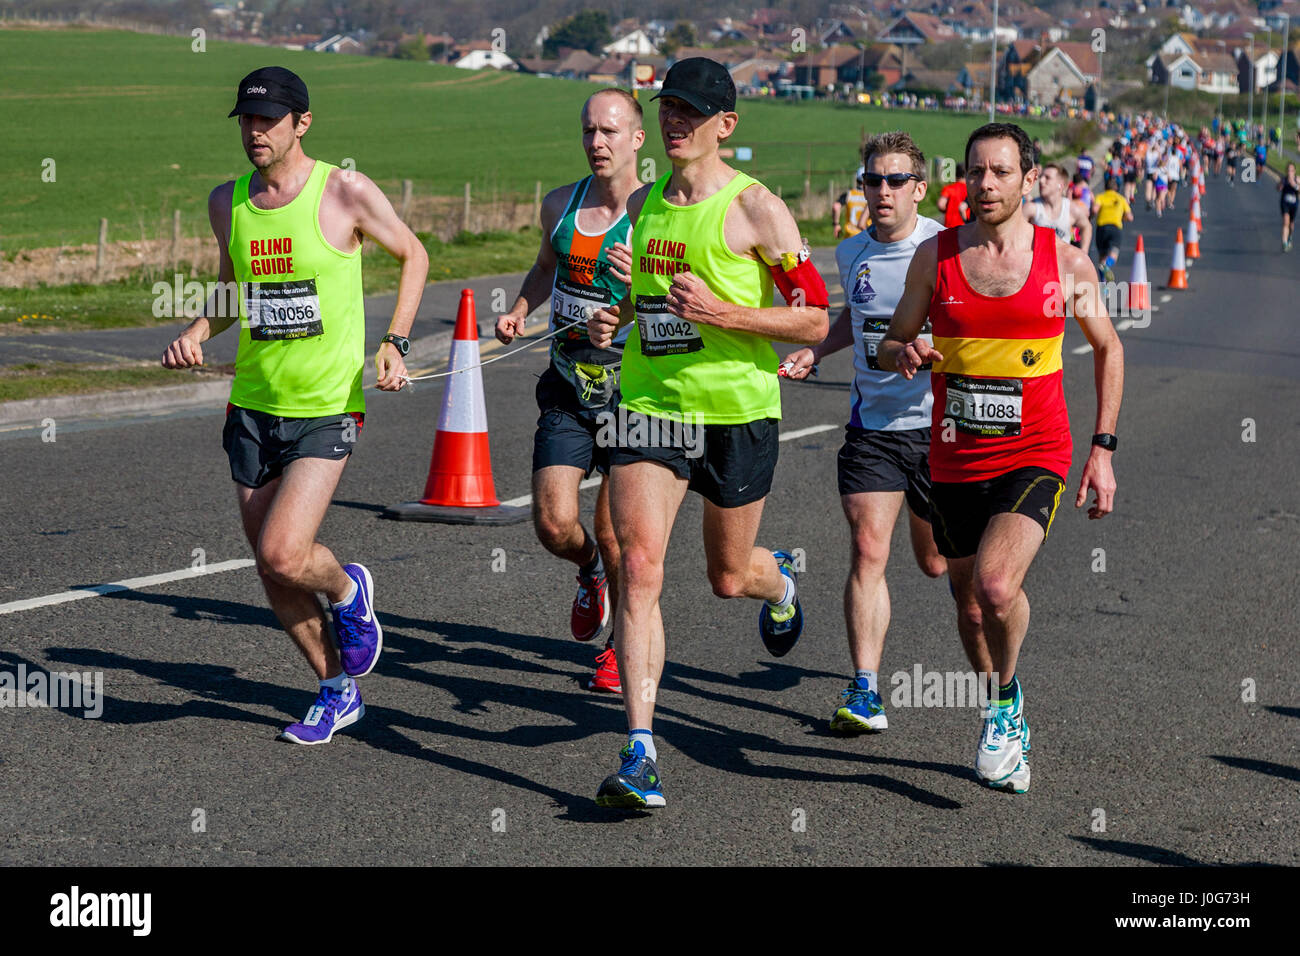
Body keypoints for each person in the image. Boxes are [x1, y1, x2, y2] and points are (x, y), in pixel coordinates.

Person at [586, 57, 830, 808]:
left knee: (727, 578)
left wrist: (726, 315)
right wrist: (613, 315)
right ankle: (639, 750)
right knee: (640, 564)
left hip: (736, 413)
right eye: (668, 108)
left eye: (692, 111)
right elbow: (644, 297)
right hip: (650, 405)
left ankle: (779, 578)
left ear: (726, 125)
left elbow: (815, 316)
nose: (675, 121)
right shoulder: (645, 202)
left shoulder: (758, 211)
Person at [161, 67, 428, 744]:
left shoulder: (344, 191)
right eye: (247, 121)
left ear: (301, 123)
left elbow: (413, 254)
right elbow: (232, 288)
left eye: (269, 120)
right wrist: (195, 332)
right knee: (269, 562)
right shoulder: (229, 202)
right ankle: (338, 690)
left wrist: (395, 341)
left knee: (285, 554)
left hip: (325, 405)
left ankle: (345, 590)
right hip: (252, 403)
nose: (255, 132)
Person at [878, 122, 1124, 794]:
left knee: (994, 586)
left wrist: (1102, 450)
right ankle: (997, 702)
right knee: (967, 603)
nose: (986, 184)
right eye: (976, 171)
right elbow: (890, 342)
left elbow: (1109, 348)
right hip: (954, 460)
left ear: (1028, 178)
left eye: (1001, 172)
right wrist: (904, 352)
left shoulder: (1065, 262)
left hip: (1036, 450)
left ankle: (1005, 703)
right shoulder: (938, 257)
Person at [781, 131, 947, 734]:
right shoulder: (852, 253)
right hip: (872, 427)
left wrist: (935, 349)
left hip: (938, 428)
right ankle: (865, 689)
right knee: (868, 548)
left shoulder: (945, 248)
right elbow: (856, 314)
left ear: (919, 189)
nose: (881, 191)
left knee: (933, 562)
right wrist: (816, 350)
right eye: (871, 179)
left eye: (895, 180)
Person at [494, 89, 644, 692]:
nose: (597, 143)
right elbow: (544, 267)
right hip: (566, 382)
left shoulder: (658, 216)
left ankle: (619, 647)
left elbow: (690, 303)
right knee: (555, 523)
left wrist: (647, 285)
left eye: (609, 131)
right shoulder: (560, 205)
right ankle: (590, 575)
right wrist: (520, 309)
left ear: (637, 139)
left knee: (617, 533)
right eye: (588, 131)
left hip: (635, 394)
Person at [1027, 164, 1092, 253]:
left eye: (1047, 178)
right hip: (1037, 263)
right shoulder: (1031, 208)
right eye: (1041, 177)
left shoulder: (1071, 209)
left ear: (1060, 185)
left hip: (1062, 264)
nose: (1041, 181)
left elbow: (1087, 226)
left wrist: (1084, 251)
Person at [1092, 176, 1134, 281]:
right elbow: (1130, 217)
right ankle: (1107, 265)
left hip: (1101, 228)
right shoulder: (1121, 199)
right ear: (1117, 188)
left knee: (1101, 257)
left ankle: (1103, 284)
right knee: (1113, 254)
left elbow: (1094, 210)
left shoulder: (1100, 197)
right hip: (1115, 228)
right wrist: (1122, 217)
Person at [839, 167, 871, 238]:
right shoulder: (871, 195)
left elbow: (836, 206)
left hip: (850, 234)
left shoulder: (849, 194)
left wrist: (836, 224)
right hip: (865, 234)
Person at [937, 163, 970, 228]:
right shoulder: (970, 189)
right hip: (966, 224)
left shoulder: (949, 189)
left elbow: (941, 205)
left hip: (950, 225)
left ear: (955, 174)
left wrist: (949, 210)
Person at [1279, 162, 1299, 252]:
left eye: (1291, 170)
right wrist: (1280, 185)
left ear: (1294, 171)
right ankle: (1284, 243)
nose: (1290, 172)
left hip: (1294, 204)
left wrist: (1295, 184)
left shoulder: (1297, 179)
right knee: (1285, 222)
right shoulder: (1284, 179)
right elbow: (1278, 188)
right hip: (1285, 203)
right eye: (1288, 170)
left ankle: (1289, 236)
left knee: (1291, 224)